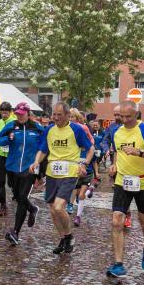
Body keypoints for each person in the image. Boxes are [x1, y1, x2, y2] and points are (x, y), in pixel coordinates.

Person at [105, 101, 144, 278]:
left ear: (137, 114)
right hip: (122, 181)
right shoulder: (116, 131)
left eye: (128, 117)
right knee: (117, 220)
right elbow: (118, 152)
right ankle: (118, 264)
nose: (124, 120)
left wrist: (140, 152)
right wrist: (114, 165)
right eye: (121, 116)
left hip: (143, 182)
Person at [29, 102, 94, 254]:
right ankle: (63, 238)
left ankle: (69, 236)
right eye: (54, 114)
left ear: (67, 115)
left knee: (59, 207)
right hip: (52, 172)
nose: (56, 117)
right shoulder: (49, 129)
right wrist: (36, 162)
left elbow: (90, 148)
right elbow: (43, 150)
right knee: (53, 209)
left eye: (59, 115)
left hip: (69, 172)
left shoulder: (76, 129)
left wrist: (84, 164)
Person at [0, 102, 45, 245]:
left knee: (22, 198)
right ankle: (32, 208)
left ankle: (15, 232)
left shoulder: (37, 128)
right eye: (17, 114)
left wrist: (40, 168)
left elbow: (44, 146)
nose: (19, 116)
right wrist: (8, 138)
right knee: (17, 196)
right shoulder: (11, 126)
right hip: (12, 167)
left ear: (28, 114)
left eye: (22, 114)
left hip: (29, 168)